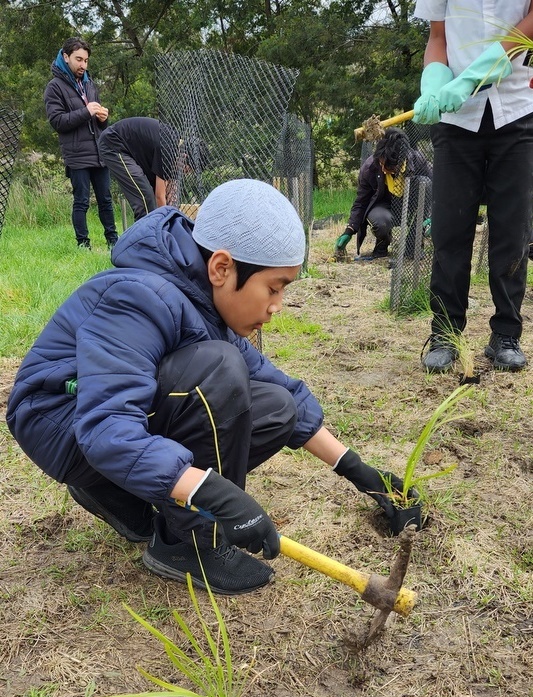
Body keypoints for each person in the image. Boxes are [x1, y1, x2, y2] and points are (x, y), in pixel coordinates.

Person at [7, 179, 409, 596]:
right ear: (221, 268)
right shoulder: (140, 297)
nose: (277, 306)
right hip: (61, 423)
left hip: (106, 425)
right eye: (274, 288)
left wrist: (360, 472)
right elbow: (107, 429)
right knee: (220, 369)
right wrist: (211, 495)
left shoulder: (203, 302)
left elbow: (282, 389)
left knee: (276, 406)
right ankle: (190, 543)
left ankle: (118, 492)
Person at [413, 1, 533, 372]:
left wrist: (472, 78)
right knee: (450, 228)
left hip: (516, 107)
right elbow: (437, 37)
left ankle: (506, 335)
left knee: (512, 231)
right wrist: (434, 80)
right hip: (455, 116)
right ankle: (446, 333)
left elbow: (528, 28)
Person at [44, 37, 118, 250]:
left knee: (106, 200)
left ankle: (113, 241)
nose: (83, 65)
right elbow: (57, 122)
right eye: (79, 59)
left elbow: (98, 123)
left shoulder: (89, 83)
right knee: (82, 202)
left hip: (99, 152)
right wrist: (86, 112)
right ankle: (83, 245)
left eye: (86, 60)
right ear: (66, 57)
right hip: (76, 155)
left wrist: (103, 119)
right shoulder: (54, 88)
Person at [334, 128, 432, 263]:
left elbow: (437, 188)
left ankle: (412, 247)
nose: (384, 168)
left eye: (389, 167)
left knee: (425, 183)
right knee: (381, 223)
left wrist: (434, 216)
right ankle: (381, 246)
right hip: (383, 206)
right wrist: (349, 230)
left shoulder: (416, 160)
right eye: (382, 163)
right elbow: (361, 202)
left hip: (409, 205)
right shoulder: (369, 168)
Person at [97, 117, 198, 221]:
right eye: (188, 169)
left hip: (128, 148)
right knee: (145, 197)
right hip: (113, 144)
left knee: (154, 196)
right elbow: (159, 196)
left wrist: (172, 204)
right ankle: (147, 235)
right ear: (184, 156)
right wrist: (168, 221)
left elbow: (171, 192)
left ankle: (149, 231)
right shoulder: (168, 150)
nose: (186, 173)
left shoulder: (176, 148)